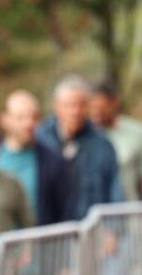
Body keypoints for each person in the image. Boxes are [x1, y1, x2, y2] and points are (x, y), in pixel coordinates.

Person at [37, 75, 123, 219]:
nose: (75, 112)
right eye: (69, 105)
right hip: (52, 233)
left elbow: (115, 191)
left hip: (91, 229)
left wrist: (113, 230)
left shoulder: (102, 144)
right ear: (57, 107)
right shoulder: (41, 140)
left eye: (81, 105)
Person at [0, 90, 74, 224]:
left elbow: (65, 210)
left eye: (34, 117)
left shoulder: (53, 160)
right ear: (5, 120)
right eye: (20, 117)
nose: (28, 124)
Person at [89, 81, 142, 205]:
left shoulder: (138, 133)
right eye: (93, 109)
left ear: (115, 103)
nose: (97, 114)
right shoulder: (87, 137)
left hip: (128, 211)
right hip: (94, 215)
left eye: (101, 108)